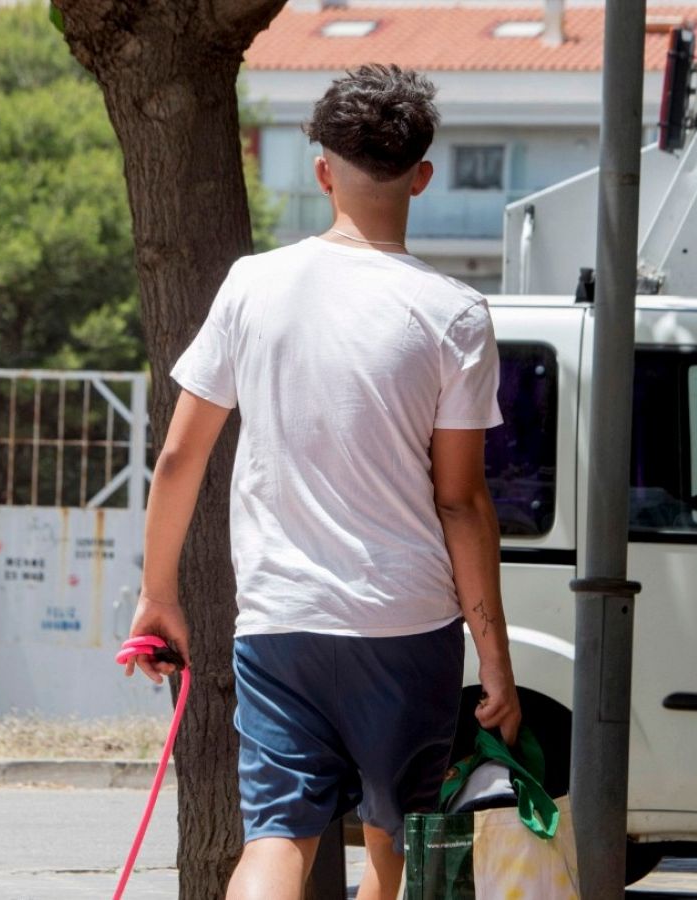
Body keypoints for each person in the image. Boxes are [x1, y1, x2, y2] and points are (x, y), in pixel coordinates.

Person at [122, 64, 522, 899]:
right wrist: (495, 663)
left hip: (281, 622)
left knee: (276, 837)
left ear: (321, 170)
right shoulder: (455, 314)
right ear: (422, 175)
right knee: (393, 842)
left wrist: (160, 592)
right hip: (408, 626)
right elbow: (460, 500)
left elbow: (179, 457)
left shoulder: (252, 285)